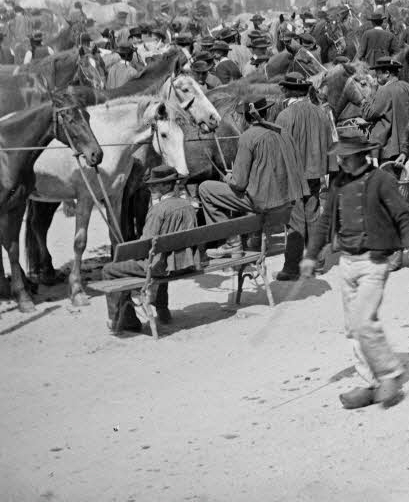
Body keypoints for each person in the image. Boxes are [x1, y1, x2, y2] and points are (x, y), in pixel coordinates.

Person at [299, 129, 409, 410]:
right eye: (339, 157)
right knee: (352, 328)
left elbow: (402, 215)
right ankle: (370, 383)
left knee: (364, 321)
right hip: (347, 261)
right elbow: (325, 220)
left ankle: (390, 373)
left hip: (374, 261)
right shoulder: (339, 183)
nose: (340, 162)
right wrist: (311, 254)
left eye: (345, 157)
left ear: (359, 156)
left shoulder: (382, 180)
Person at [101, 164, 199, 334]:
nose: (151, 187)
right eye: (151, 184)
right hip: (185, 264)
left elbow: (144, 246)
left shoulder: (157, 211)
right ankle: (163, 311)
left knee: (109, 270)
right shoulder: (188, 206)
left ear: (168, 185)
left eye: (156, 184)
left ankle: (124, 320)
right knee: (165, 257)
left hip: (162, 268)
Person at [198, 97, 305, 235]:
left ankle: (232, 242)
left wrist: (228, 178)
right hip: (286, 199)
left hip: (263, 202)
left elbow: (240, 183)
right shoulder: (281, 132)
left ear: (245, 118)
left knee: (205, 188)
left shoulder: (247, 137)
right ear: (265, 113)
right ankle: (253, 237)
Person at [274, 72, 334, 281]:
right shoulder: (321, 113)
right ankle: (316, 262)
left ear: (289, 91)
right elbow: (330, 143)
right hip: (316, 172)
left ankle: (291, 267)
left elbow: (279, 150)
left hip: (294, 175)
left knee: (296, 220)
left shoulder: (284, 116)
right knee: (313, 214)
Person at [361, 55, 409, 163]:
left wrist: (373, 91)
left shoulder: (385, 91)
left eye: (378, 73)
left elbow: (367, 114)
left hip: (390, 149)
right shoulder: (407, 86)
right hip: (406, 146)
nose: (376, 77)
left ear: (387, 73)